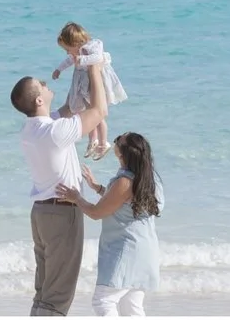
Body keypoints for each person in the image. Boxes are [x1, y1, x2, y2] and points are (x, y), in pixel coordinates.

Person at [11, 74, 109, 316]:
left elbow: (69, 109)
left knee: (44, 291)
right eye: (42, 85)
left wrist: (80, 71)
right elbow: (99, 110)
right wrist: (95, 68)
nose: (46, 84)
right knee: (57, 296)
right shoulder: (55, 132)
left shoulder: (31, 130)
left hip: (41, 213)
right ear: (38, 102)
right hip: (62, 212)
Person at [59, 130, 161, 317]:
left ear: (122, 153)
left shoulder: (125, 182)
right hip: (146, 250)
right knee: (132, 307)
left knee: (103, 301)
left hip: (126, 250)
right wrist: (98, 188)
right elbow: (127, 203)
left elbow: (96, 213)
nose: (114, 140)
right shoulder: (150, 179)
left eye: (117, 139)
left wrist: (76, 198)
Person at [50, 23, 127, 159]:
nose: (68, 53)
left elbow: (98, 58)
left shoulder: (92, 46)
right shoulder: (76, 53)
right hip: (84, 85)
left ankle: (103, 143)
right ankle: (93, 140)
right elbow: (69, 61)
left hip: (95, 84)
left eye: (68, 49)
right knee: (87, 112)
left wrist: (81, 59)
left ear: (76, 43)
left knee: (98, 115)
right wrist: (58, 69)